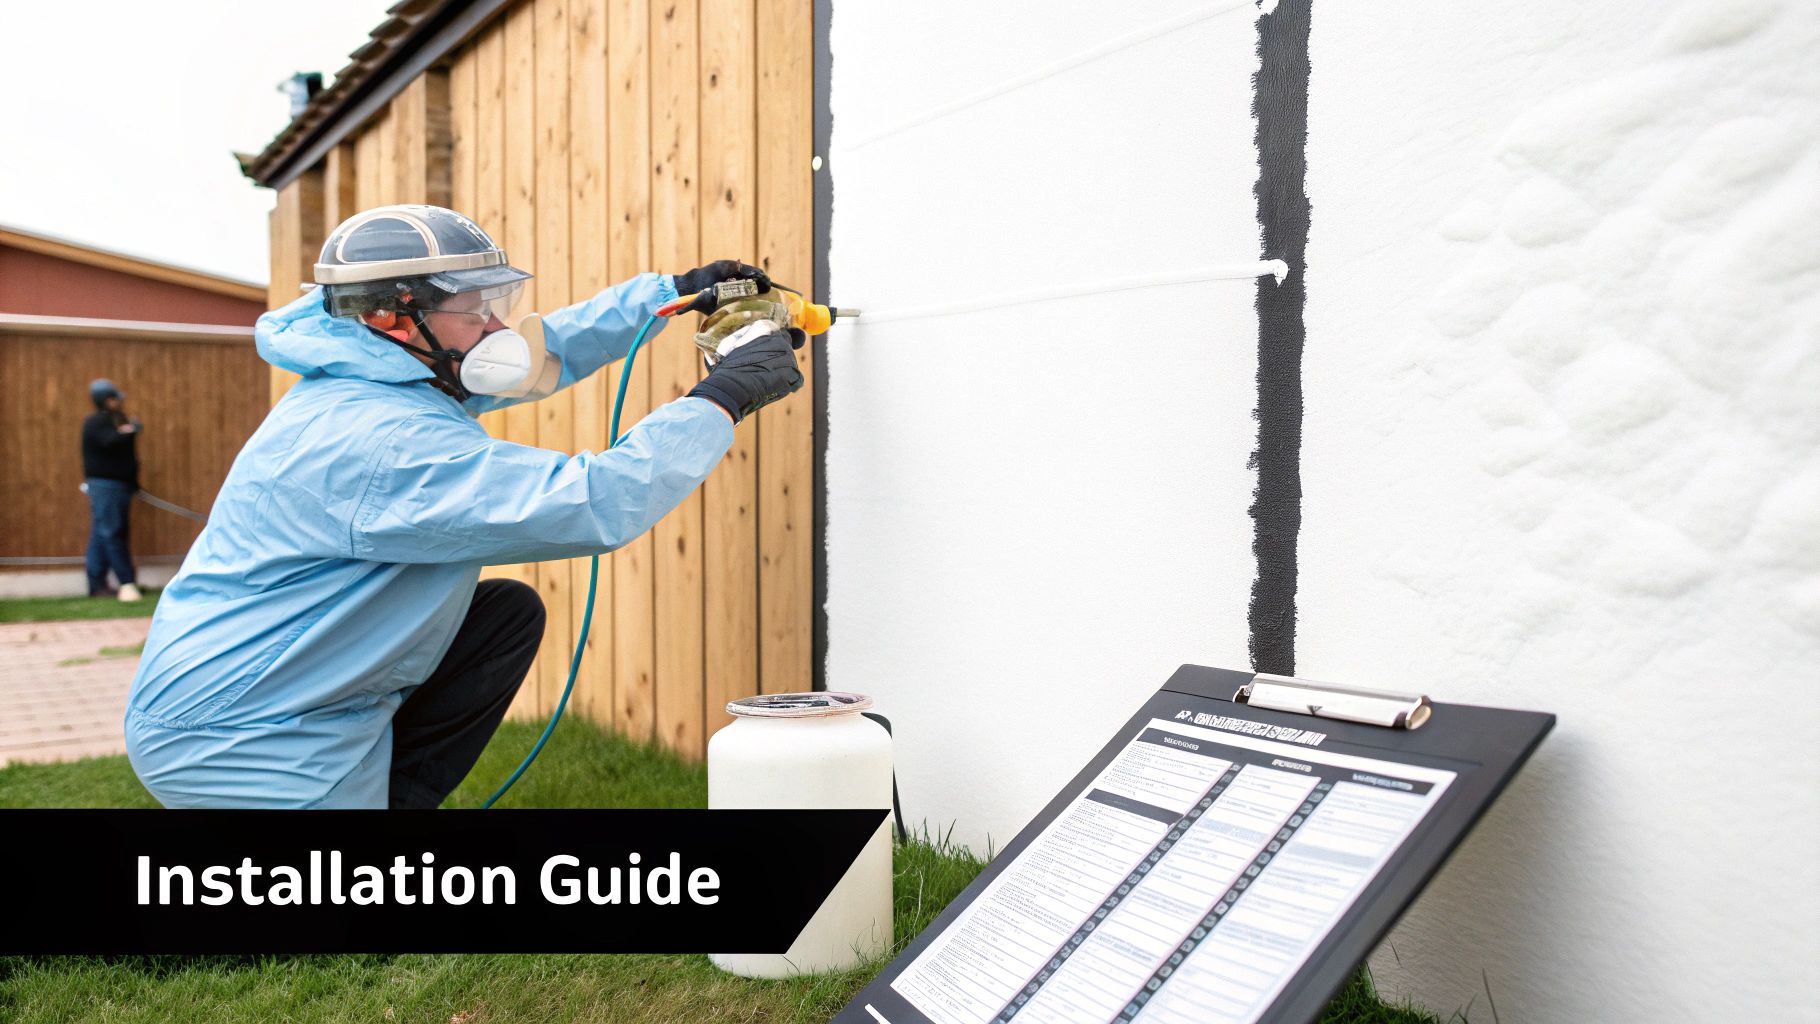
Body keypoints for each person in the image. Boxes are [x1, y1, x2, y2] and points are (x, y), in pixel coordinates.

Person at [124, 204, 804, 810]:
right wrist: (722, 397)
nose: (496, 326)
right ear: (392, 313)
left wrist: (667, 296)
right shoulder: (382, 441)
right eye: (476, 310)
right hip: (239, 740)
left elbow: (538, 355)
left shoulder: (380, 373)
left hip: (273, 695)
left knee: (503, 617)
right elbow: (593, 502)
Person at [81, 379, 144, 601]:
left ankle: (97, 585)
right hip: (106, 487)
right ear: (107, 400)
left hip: (118, 487)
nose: (118, 402)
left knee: (102, 535)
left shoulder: (113, 421)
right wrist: (130, 431)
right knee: (112, 534)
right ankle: (127, 583)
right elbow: (110, 442)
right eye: (114, 398)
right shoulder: (96, 423)